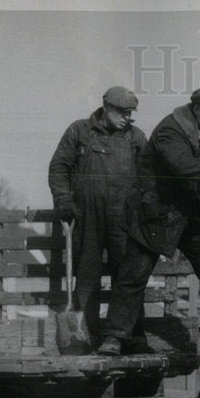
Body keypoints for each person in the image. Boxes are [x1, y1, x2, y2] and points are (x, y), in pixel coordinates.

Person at [99, 86, 200, 355]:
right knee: (134, 274)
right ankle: (114, 337)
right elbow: (182, 165)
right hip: (154, 214)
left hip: (189, 213)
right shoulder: (169, 131)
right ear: (198, 109)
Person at [48, 86, 146, 347]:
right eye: (122, 112)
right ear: (107, 108)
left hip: (124, 218)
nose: (127, 117)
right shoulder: (79, 131)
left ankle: (130, 338)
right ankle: (85, 339)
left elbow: (150, 178)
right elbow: (59, 168)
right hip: (88, 216)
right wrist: (64, 199)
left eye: (131, 113)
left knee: (127, 277)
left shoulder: (136, 138)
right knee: (87, 276)